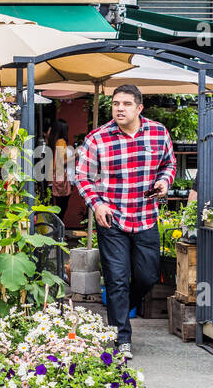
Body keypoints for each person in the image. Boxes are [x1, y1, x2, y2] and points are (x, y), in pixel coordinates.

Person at [74, 84, 175, 360]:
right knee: (117, 280)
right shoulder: (98, 138)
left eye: (127, 104)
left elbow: (169, 164)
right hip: (113, 220)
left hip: (145, 218)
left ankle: (118, 312)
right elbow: (82, 176)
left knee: (147, 276)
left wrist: (164, 182)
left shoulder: (158, 133)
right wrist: (97, 204)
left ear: (139, 108)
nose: (120, 108)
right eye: (116, 103)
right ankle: (121, 337)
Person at [48, 119, 73, 220]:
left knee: (55, 207)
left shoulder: (51, 141)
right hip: (59, 178)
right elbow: (60, 163)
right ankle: (59, 233)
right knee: (61, 208)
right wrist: (75, 155)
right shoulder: (61, 142)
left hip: (52, 177)